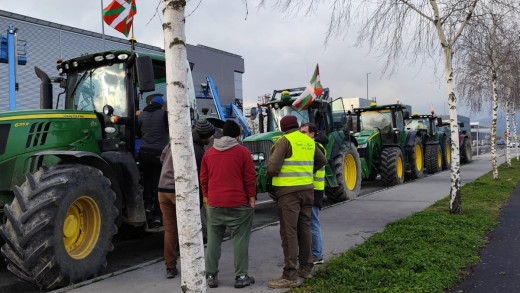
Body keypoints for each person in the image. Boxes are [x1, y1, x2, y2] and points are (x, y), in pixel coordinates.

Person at [267, 116, 327, 289]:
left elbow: (272, 168)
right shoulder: (308, 141)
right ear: (297, 126)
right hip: (308, 191)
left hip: (289, 193)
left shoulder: (284, 141)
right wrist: (307, 172)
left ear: (283, 128)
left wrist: (273, 175)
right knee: (305, 228)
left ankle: (290, 275)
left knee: (289, 233)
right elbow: (322, 160)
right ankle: (306, 268)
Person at [200, 120, 256, 289]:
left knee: (213, 240)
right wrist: (252, 198)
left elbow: (203, 178)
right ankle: (241, 276)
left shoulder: (209, 153)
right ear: (237, 136)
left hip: (215, 204)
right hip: (239, 204)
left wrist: (208, 197)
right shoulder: (243, 152)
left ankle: (210, 275)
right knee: (240, 239)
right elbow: (250, 178)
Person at [137, 93, 168, 227]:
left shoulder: (141, 115)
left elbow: (138, 133)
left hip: (144, 153)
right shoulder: (163, 115)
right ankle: (157, 215)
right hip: (158, 154)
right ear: (161, 106)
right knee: (158, 183)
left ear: (150, 104)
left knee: (147, 180)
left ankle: (147, 207)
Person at [300, 122, 329, 265]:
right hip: (312, 189)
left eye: (304, 132)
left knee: (313, 223)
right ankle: (313, 253)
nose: (301, 135)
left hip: (314, 189)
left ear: (312, 134)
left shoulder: (316, 147)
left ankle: (317, 255)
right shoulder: (314, 146)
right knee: (310, 222)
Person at [157, 143, 179, 279]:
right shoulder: (191, 144)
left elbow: (161, 158)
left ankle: (170, 267)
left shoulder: (171, 143)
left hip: (162, 188)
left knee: (170, 230)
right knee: (189, 227)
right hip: (176, 189)